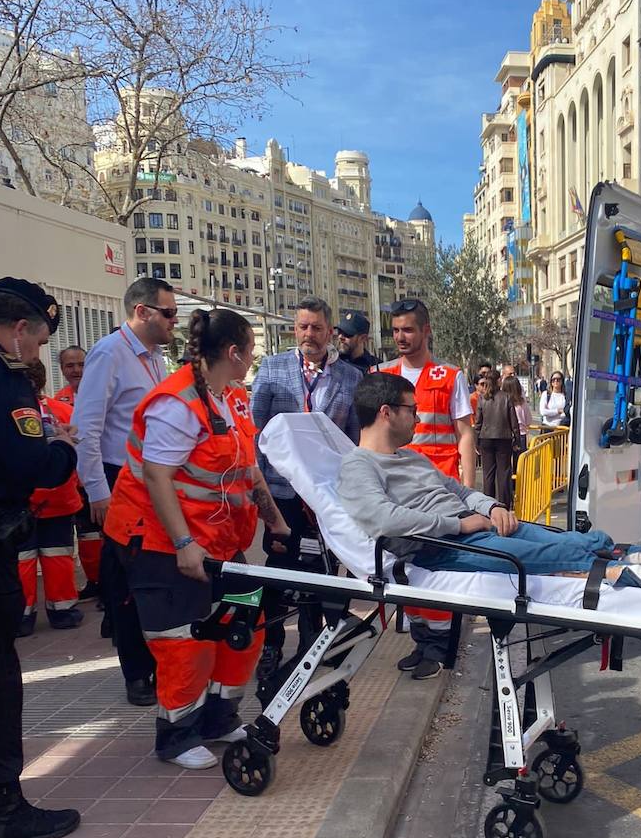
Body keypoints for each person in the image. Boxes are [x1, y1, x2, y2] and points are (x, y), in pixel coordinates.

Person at [105, 309, 291, 769]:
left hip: (222, 542)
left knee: (243, 627)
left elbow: (247, 468)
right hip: (162, 544)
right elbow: (157, 476)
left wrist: (275, 520)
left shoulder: (232, 398)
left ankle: (218, 717)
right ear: (233, 353)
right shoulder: (177, 403)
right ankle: (176, 734)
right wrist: (185, 543)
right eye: (250, 351)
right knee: (183, 641)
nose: (251, 360)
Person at [339, 373, 641, 588]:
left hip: (476, 525)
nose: (417, 418)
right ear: (386, 413)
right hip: (446, 546)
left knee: (567, 540)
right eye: (411, 410)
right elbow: (384, 519)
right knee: (551, 552)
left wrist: (491, 506)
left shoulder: (411, 457)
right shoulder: (358, 467)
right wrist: (457, 527)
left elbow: (458, 490)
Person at [0, 277, 81, 838]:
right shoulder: (5, 380)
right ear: (20, 330)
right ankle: (2, 808)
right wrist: (64, 447)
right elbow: (31, 461)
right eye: (42, 341)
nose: (39, 355)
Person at [73, 279, 177, 706]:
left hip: (151, 480)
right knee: (126, 581)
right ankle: (137, 672)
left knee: (153, 573)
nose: (174, 321)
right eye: (168, 313)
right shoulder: (109, 354)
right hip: (119, 482)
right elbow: (86, 429)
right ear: (142, 311)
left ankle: (158, 662)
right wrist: (98, 491)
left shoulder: (154, 359)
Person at [251, 297, 361, 678]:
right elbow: (257, 431)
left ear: (330, 332)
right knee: (279, 569)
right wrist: (262, 487)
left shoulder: (350, 378)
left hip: (324, 497)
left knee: (322, 571)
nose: (308, 334)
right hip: (281, 495)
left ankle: (315, 645)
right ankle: (272, 643)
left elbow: (352, 443)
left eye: (316, 327)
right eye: (302, 327)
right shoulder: (272, 367)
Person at [380, 298, 477, 677]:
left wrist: (468, 489)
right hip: (398, 488)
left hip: (439, 490)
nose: (401, 338)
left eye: (408, 330)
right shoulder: (384, 374)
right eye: (396, 331)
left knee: (439, 569)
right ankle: (422, 642)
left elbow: (465, 433)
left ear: (426, 330)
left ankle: (440, 650)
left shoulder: (450, 376)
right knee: (406, 567)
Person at [16, 360, 84, 634]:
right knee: (58, 555)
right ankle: (63, 610)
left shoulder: (11, 412)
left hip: (23, 499)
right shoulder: (64, 410)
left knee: (22, 557)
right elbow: (76, 456)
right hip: (59, 496)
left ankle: (23, 615)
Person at [53, 345, 101, 601]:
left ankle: (108, 584)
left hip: (102, 477)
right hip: (75, 483)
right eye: (70, 366)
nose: (76, 370)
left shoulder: (102, 393)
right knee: (86, 535)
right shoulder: (57, 401)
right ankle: (94, 581)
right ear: (62, 369)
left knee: (106, 535)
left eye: (81, 364)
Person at [473, 371, 520, 509]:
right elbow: (514, 422)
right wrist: (516, 439)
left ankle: (488, 505)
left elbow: (478, 423)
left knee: (488, 474)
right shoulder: (506, 397)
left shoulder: (482, 399)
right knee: (504, 473)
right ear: (498, 380)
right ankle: (505, 504)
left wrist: (476, 442)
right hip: (503, 438)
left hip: (486, 438)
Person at [502, 374, 532, 470]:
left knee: (505, 464)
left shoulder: (503, 403)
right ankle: (518, 484)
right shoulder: (522, 403)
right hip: (521, 435)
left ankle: (507, 484)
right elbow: (528, 420)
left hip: (505, 435)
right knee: (519, 464)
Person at [335, 311, 379, 375]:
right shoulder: (332, 363)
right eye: (339, 331)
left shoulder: (376, 367)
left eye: (347, 333)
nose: (340, 337)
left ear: (363, 338)